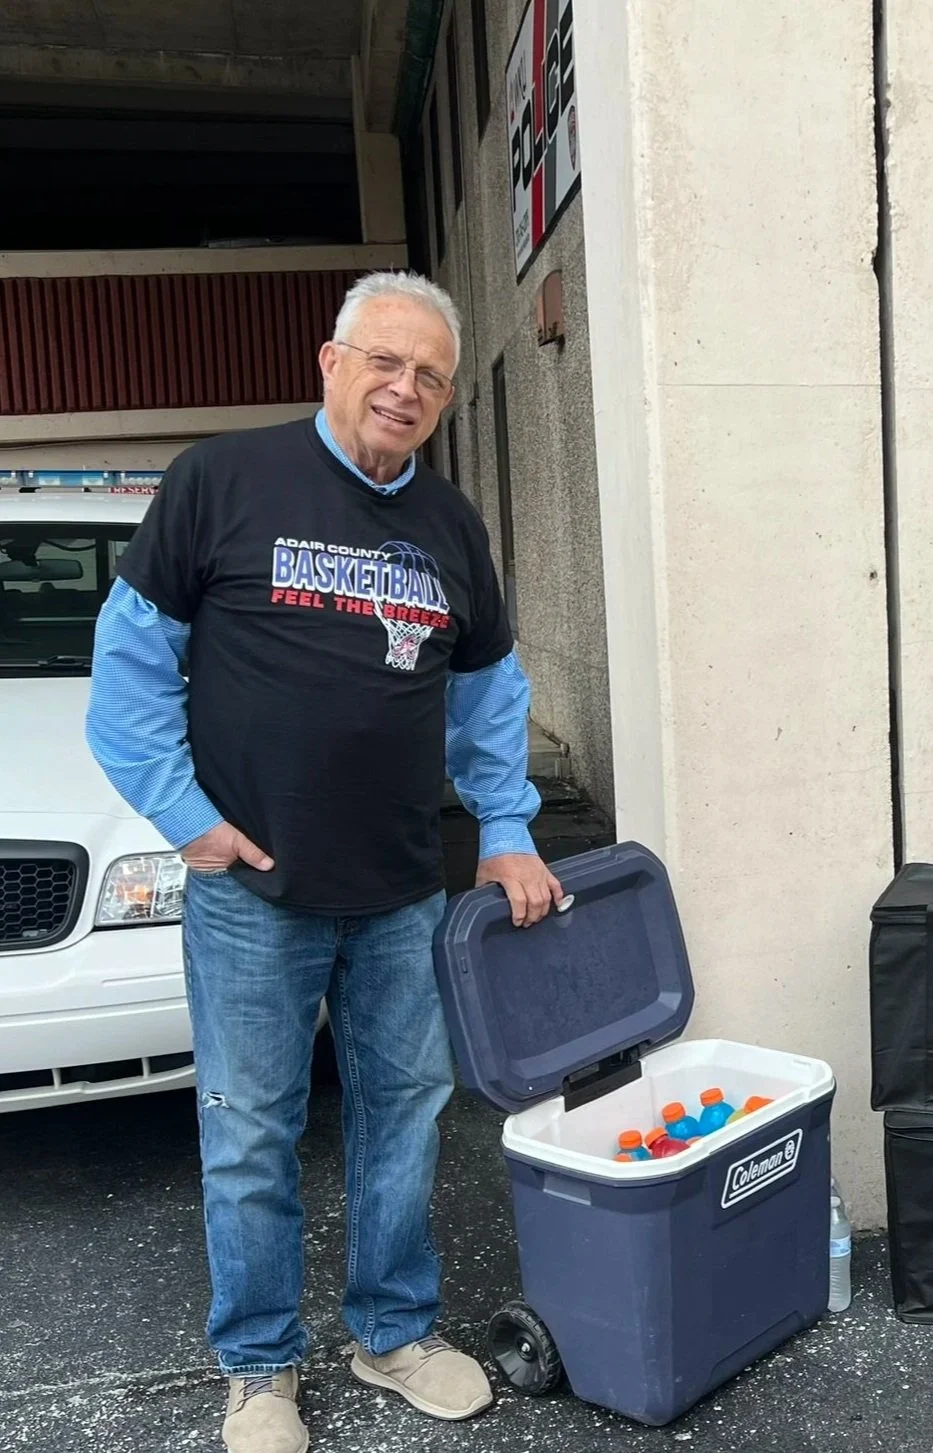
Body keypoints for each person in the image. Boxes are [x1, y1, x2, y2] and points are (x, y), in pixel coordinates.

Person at [86, 271, 562, 1453]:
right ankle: (258, 1367)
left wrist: (504, 831)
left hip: (400, 885)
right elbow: (130, 668)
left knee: (403, 1115)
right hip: (254, 890)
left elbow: (488, 695)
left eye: (432, 375)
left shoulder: (450, 526)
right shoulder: (223, 481)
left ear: (446, 396)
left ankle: (392, 1331)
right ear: (330, 362)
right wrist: (185, 816)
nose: (405, 388)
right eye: (384, 361)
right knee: (250, 1127)